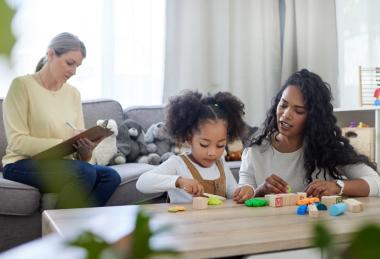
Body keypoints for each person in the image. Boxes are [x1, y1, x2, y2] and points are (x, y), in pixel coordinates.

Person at [2, 32, 121, 208]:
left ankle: (76, 228)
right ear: (50, 54)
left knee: (111, 176)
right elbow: (17, 142)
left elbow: (79, 155)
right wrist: (63, 142)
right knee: (84, 173)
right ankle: (61, 229)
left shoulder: (73, 94)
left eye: (77, 66)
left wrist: (86, 150)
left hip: (62, 164)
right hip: (21, 164)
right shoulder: (21, 86)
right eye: (70, 63)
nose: (73, 71)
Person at [239, 69, 380, 197]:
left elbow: (376, 183)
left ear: (313, 117)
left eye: (299, 111)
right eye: (283, 105)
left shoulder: (327, 148)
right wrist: (260, 191)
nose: (286, 114)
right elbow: (242, 194)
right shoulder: (255, 150)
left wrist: (337, 186)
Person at [136, 90, 254, 203]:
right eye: (204, 144)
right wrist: (178, 181)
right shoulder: (177, 164)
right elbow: (142, 183)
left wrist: (245, 190)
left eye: (220, 145)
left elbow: (232, 192)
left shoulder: (220, 164)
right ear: (189, 138)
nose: (212, 152)